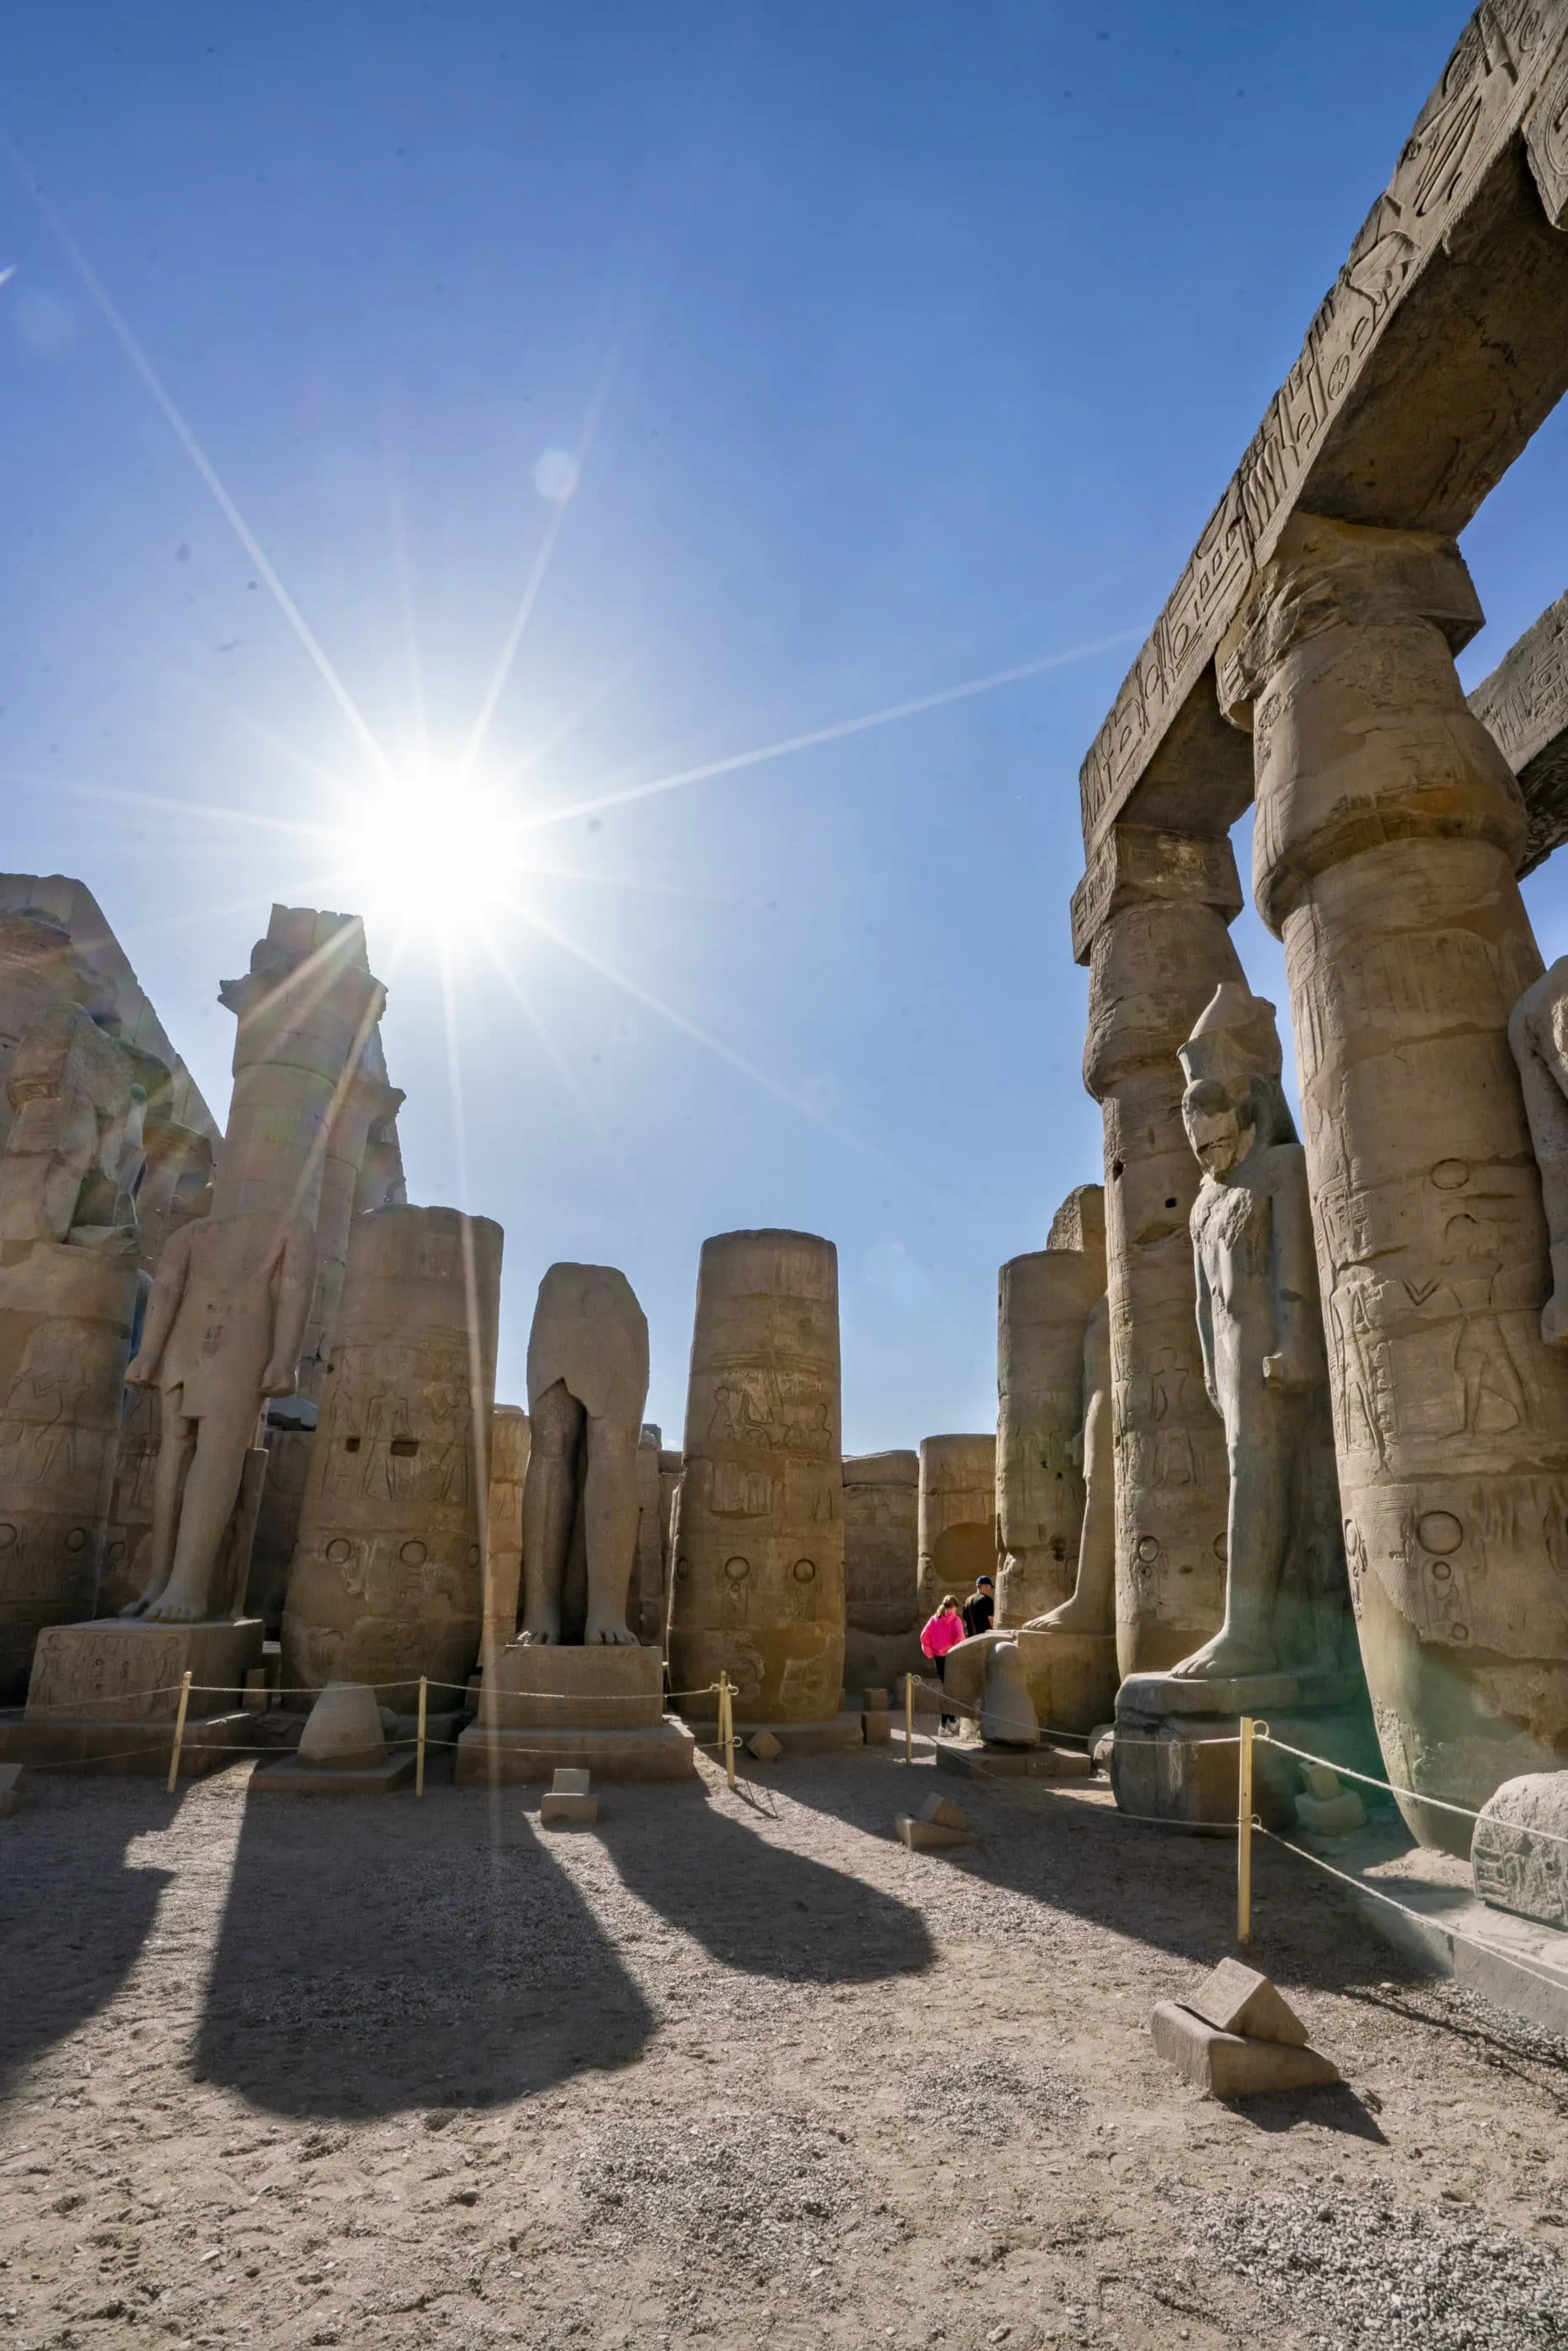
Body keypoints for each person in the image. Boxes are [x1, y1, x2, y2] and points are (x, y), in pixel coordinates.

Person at [920, 1593, 966, 1731]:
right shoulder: (956, 1620)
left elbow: (924, 1636)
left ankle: (952, 1722)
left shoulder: (934, 1619)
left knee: (948, 1689)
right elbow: (960, 1638)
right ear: (954, 1607)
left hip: (938, 1658)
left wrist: (930, 1651)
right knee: (949, 1691)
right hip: (951, 1657)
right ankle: (943, 1726)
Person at [961, 1573, 996, 1641]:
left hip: (970, 1637)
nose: (990, 1589)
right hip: (984, 1637)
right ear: (986, 1586)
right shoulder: (987, 1599)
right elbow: (990, 1619)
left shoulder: (968, 1600)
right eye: (990, 1587)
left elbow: (965, 1620)